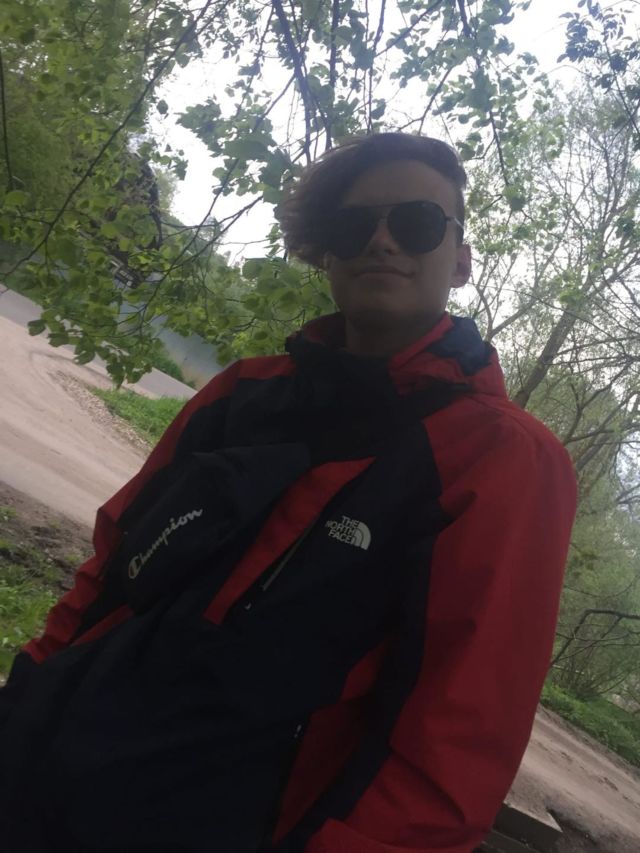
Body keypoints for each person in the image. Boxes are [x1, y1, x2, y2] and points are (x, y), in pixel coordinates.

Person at [0, 133, 577, 853]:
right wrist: (29, 685)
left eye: (417, 222)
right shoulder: (242, 392)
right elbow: (111, 567)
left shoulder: (502, 460)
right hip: (32, 769)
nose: (382, 240)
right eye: (353, 225)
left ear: (460, 258)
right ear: (327, 254)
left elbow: (458, 742)